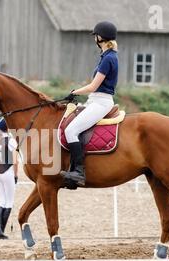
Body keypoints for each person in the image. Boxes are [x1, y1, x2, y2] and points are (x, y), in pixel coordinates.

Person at [61, 21, 118, 187]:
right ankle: (72, 169)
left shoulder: (108, 58)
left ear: (101, 37)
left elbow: (93, 86)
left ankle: (78, 171)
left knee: (71, 130)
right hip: (95, 100)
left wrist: (74, 92)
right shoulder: (106, 56)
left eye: (96, 35)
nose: (95, 38)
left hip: (101, 102)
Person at [0, 118, 19, 239]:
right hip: (8, 172)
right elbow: (15, 161)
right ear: (8, 127)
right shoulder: (12, 141)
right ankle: (0, 230)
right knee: (9, 201)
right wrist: (16, 175)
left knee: (1, 200)